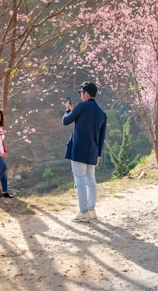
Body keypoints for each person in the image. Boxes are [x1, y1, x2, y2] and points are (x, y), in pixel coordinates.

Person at [63, 82, 107, 222]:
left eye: (81, 93)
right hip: (93, 151)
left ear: (86, 93)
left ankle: (83, 212)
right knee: (91, 181)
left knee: (80, 181)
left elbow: (66, 121)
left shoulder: (81, 106)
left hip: (79, 150)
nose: (81, 96)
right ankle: (91, 210)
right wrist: (98, 154)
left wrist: (68, 110)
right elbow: (102, 136)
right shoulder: (102, 113)